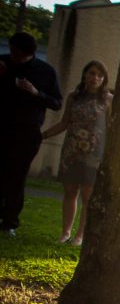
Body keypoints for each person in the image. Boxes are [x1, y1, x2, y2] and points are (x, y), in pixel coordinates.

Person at [40, 60, 113, 245]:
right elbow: (65, 122)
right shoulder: (74, 97)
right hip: (72, 150)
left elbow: (111, 127)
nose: (94, 77)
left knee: (88, 196)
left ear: (103, 79)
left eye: (98, 74)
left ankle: (80, 236)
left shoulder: (108, 99)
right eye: (91, 73)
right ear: (85, 75)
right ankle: (65, 233)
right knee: (70, 192)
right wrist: (44, 135)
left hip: (94, 153)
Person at [1, 32, 63, 237]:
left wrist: (36, 93)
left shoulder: (45, 72)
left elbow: (56, 102)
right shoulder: (3, 64)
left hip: (26, 132)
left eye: (17, 53)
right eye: (11, 51)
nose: (13, 56)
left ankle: (9, 221)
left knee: (16, 177)